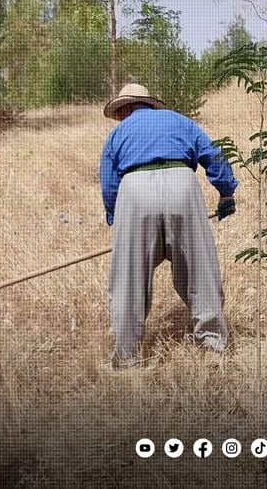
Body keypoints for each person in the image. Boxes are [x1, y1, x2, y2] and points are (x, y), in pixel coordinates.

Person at [99, 83, 238, 368]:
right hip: (182, 186)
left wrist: (116, 217)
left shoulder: (117, 134)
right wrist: (226, 193)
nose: (119, 117)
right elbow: (214, 155)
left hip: (135, 190)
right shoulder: (180, 121)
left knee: (128, 278)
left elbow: (109, 184)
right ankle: (214, 346)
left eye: (120, 112)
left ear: (127, 107)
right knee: (200, 269)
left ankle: (126, 357)